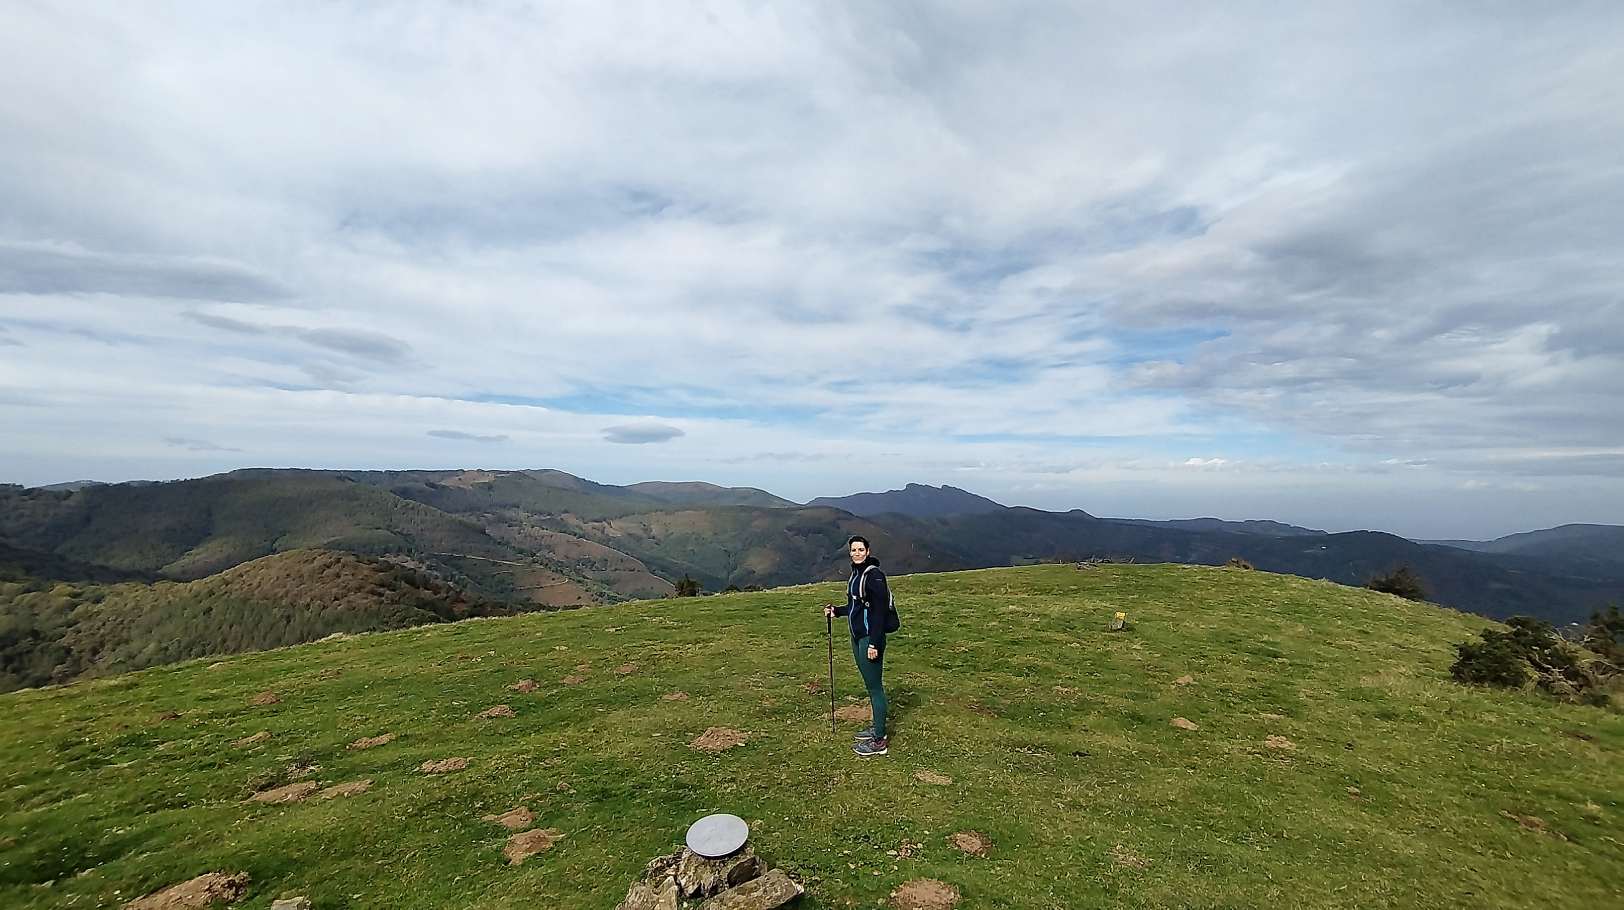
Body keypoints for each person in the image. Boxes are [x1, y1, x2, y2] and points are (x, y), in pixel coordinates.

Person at [823, 535, 891, 757]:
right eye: (854, 550)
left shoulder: (875, 577)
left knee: (874, 687)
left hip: (869, 638)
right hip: (857, 636)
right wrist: (837, 611)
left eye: (861, 549)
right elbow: (856, 606)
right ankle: (877, 728)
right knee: (869, 683)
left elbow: (880, 613)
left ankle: (879, 741)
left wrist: (874, 643)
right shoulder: (856, 575)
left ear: (868, 551)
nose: (857, 553)